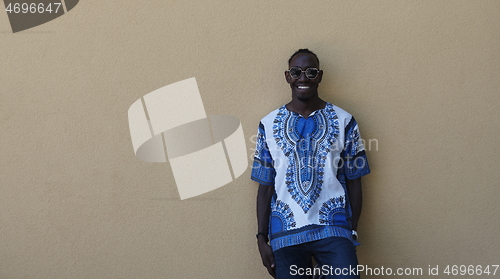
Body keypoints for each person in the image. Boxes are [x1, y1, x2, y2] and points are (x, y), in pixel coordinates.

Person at [251, 49, 370, 279]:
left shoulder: (344, 120)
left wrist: (353, 228)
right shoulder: (268, 124)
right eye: (296, 72)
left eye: (310, 72)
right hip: (285, 236)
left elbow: (355, 180)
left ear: (320, 76)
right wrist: (261, 238)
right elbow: (265, 186)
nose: (303, 77)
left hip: (333, 231)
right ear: (287, 76)